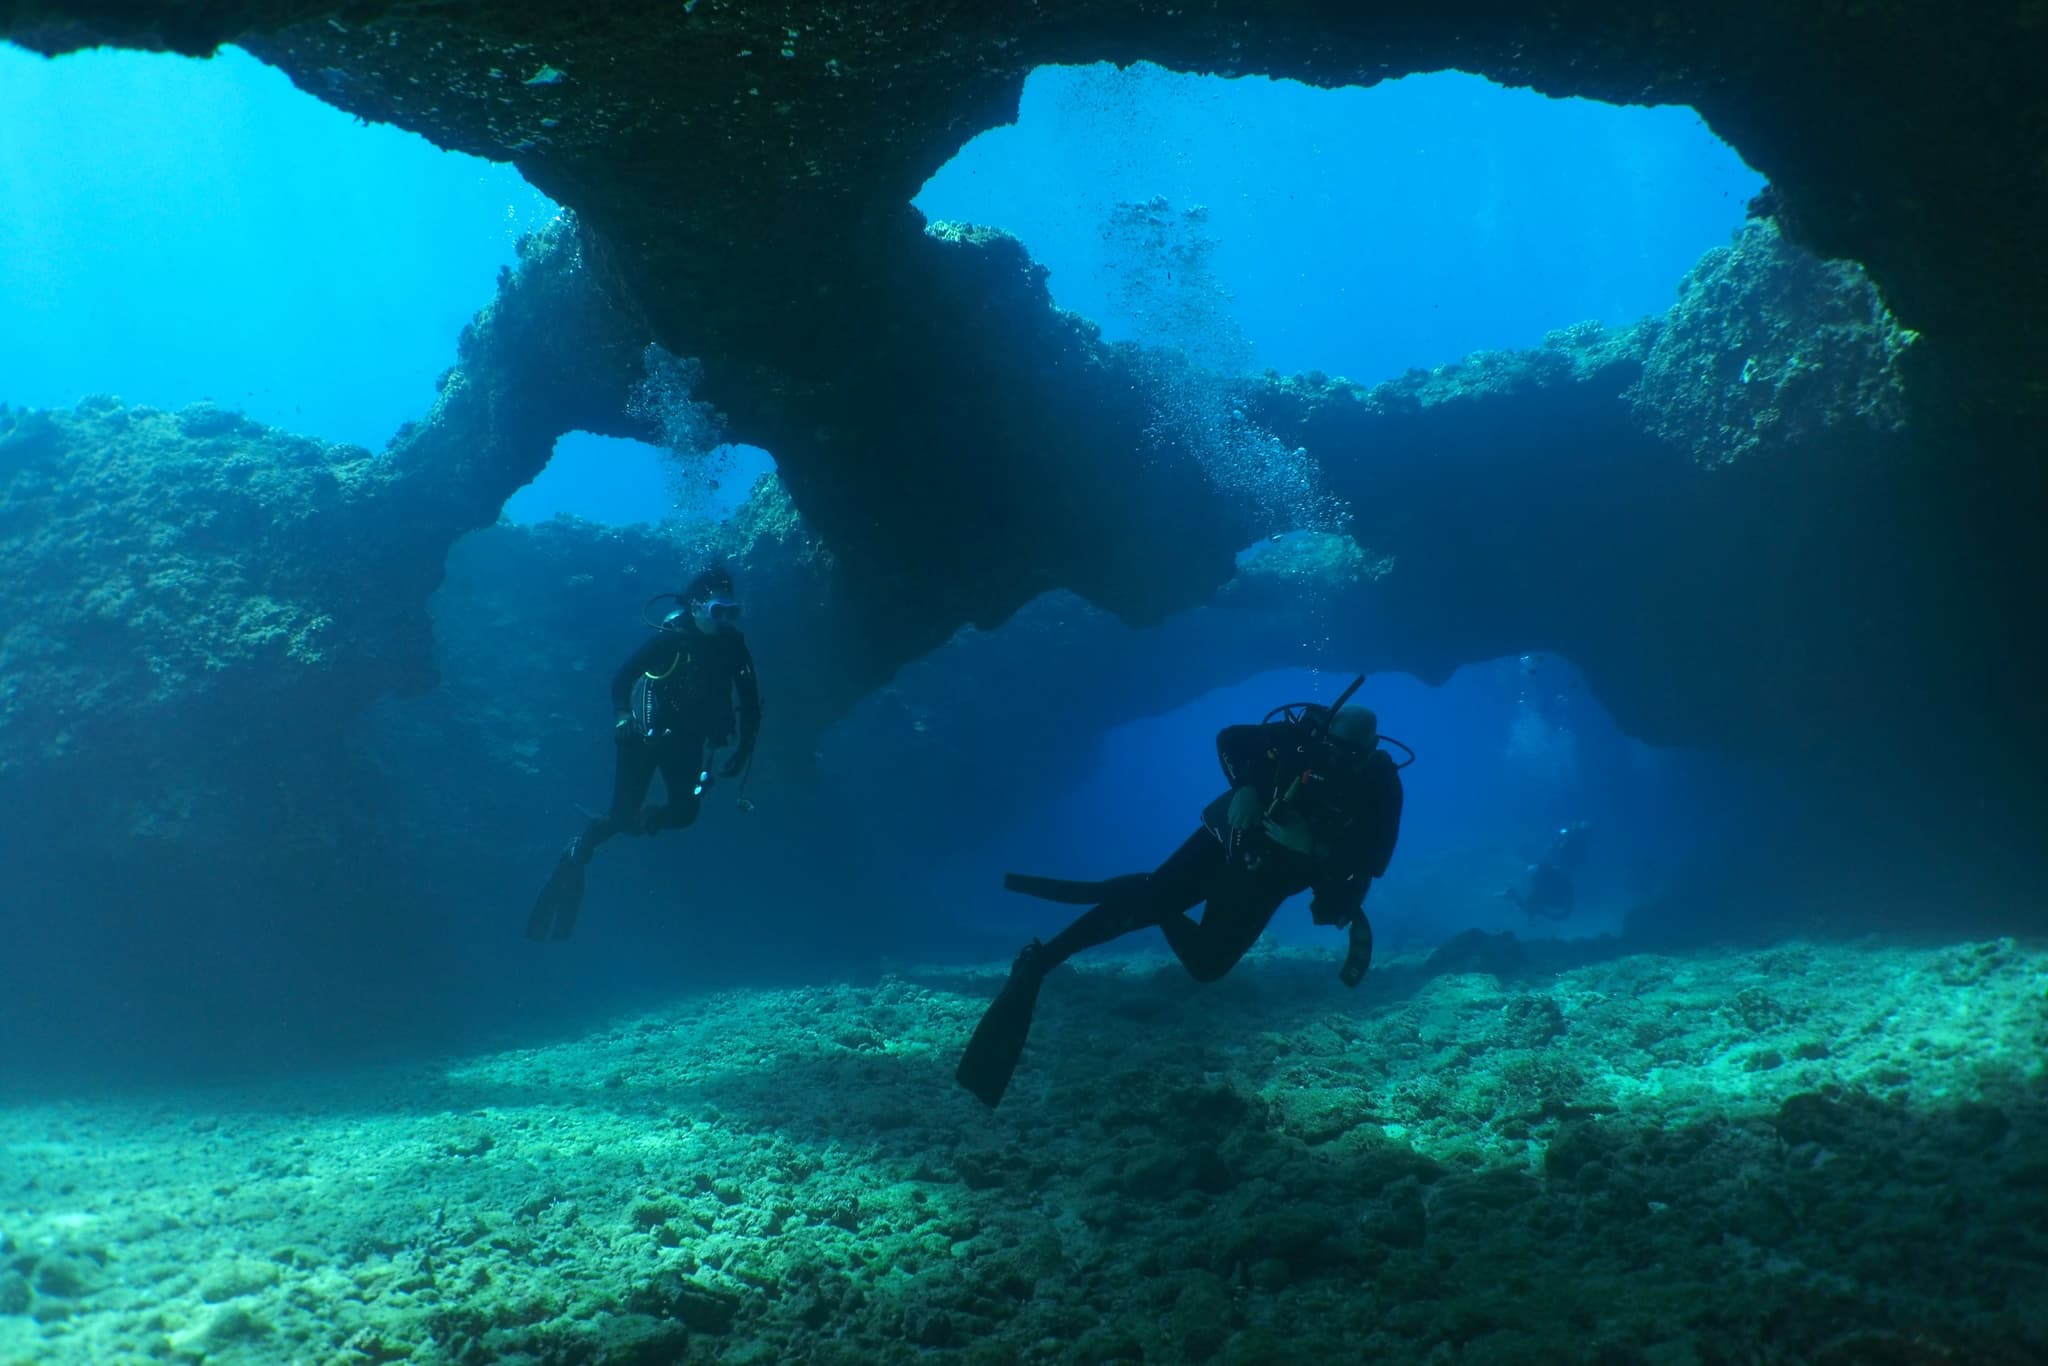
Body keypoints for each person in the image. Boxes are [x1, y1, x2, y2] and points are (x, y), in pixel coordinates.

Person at [956, 689, 1406, 1108]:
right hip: (1225, 838)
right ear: (1323, 734)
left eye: (1352, 755)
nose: (1338, 760)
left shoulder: (1381, 786)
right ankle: (1042, 960)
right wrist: (1246, 787)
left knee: (1207, 965)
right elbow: (1230, 740)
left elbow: (1375, 858)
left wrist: (1311, 847)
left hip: (1269, 877)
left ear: (1370, 751)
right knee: (1149, 903)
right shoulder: (1300, 739)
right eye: (1333, 748)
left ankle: (1152, 895)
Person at [526, 566, 762, 941]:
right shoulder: (670, 640)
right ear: (698, 607)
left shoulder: (733, 646)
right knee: (621, 816)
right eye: (719, 612)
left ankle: (636, 823)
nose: (726, 622)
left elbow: (750, 702)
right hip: (643, 741)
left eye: (733, 612)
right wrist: (622, 717)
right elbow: (622, 678)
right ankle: (579, 850)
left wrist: (745, 747)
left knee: (685, 815)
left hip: (688, 743)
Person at [1503, 820, 1591, 923]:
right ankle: (1516, 898)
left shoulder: (1551, 880)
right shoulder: (1551, 878)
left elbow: (1563, 909)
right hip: (1554, 894)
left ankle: (1514, 897)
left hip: (1555, 895)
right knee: (1531, 904)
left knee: (1531, 904)